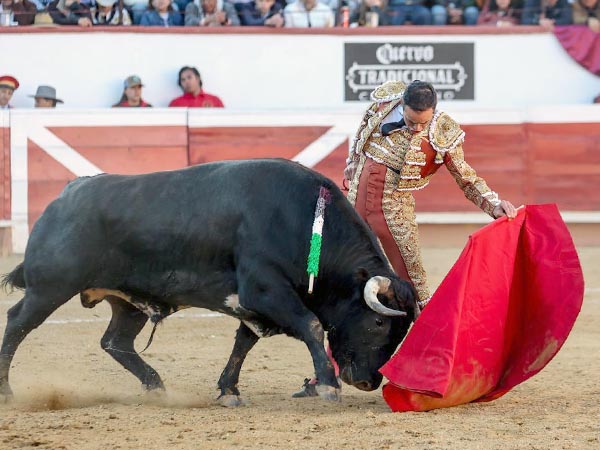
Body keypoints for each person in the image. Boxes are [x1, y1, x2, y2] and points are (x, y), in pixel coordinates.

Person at [293, 80, 517, 398]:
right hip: (355, 217)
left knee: (416, 295)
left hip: (394, 218)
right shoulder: (382, 104)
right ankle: (326, 374)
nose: (415, 128)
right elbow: (357, 148)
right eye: (411, 120)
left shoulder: (442, 132)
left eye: (421, 123)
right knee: (342, 292)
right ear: (403, 105)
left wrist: (493, 203)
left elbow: (467, 178)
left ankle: (438, 375)